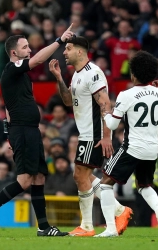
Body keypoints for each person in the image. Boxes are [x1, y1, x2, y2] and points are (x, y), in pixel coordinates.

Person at [0, 24, 75, 237]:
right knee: (25, 180)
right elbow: (38, 59)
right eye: (25, 47)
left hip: (29, 130)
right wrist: (59, 41)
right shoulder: (12, 69)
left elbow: (8, 105)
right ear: (14, 53)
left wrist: (9, 130)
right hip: (22, 131)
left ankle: (44, 227)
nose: (29, 50)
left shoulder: (19, 76)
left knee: (39, 178)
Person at [49, 36, 133, 237]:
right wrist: (59, 78)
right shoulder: (77, 75)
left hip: (94, 133)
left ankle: (87, 226)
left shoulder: (93, 73)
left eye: (68, 48)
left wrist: (106, 136)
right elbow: (68, 101)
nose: (64, 52)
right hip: (85, 132)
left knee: (80, 175)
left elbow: (105, 104)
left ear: (80, 51)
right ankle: (119, 210)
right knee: (82, 175)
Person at [96, 51, 158, 237]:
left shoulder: (126, 95)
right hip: (152, 151)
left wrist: (105, 111)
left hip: (132, 148)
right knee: (144, 186)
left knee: (105, 184)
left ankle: (110, 229)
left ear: (133, 74)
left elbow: (111, 125)